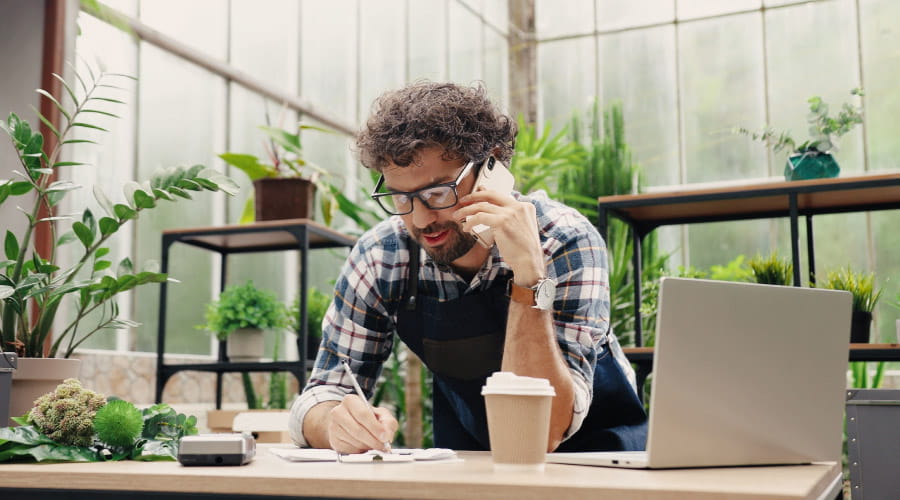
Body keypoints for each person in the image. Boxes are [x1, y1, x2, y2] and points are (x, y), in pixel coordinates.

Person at [288, 81, 647, 454]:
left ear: (491, 165)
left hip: (598, 463)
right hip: (472, 461)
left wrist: (529, 278)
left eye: (439, 192)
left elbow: (542, 434)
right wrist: (336, 424)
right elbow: (324, 392)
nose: (423, 218)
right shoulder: (383, 256)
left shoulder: (563, 240)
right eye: (401, 197)